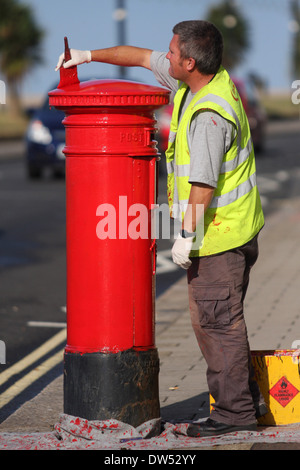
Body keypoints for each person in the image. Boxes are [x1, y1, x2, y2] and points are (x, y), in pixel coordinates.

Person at [55, 20, 266, 437]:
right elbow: (138, 57)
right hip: (238, 228)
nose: (164, 57)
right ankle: (246, 397)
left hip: (221, 236)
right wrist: (87, 56)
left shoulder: (209, 114)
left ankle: (235, 414)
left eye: (172, 53)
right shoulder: (206, 81)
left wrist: (186, 236)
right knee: (220, 320)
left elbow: (202, 185)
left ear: (189, 61)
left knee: (216, 323)